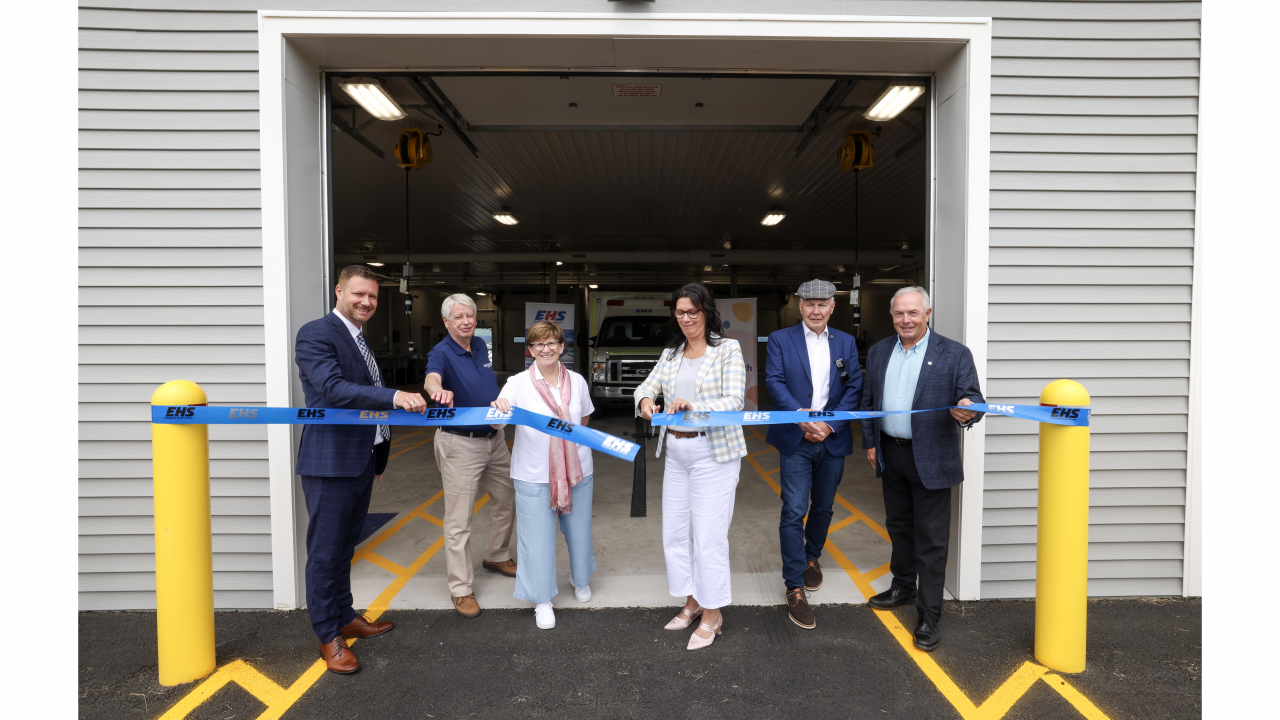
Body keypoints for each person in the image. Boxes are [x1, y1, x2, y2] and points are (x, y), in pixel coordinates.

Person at [294, 264, 428, 674]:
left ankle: (345, 616)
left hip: (360, 461)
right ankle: (328, 635)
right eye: (359, 294)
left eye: (372, 296)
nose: (367, 302)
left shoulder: (359, 340)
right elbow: (332, 390)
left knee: (346, 546)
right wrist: (394, 395)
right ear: (339, 291)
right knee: (325, 552)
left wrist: (379, 454)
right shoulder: (316, 333)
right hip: (331, 461)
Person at [860, 286, 984, 651]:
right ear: (892, 316)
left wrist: (968, 408)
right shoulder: (880, 351)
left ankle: (930, 613)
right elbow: (868, 402)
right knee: (898, 526)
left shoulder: (955, 353)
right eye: (899, 314)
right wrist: (870, 442)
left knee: (931, 538)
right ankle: (902, 587)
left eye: (913, 313)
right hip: (890, 452)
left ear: (928, 314)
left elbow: (973, 398)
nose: (905, 320)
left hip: (931, 456)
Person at [634, 284, 747, 651]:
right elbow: (645, 388)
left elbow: (734, 400)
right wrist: (648, 400)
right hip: (677, 453)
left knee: (709, 537)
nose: (686, 319)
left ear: (707, 313)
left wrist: (693, 405)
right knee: (676, 533)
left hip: (713, 452)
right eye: (680, 312)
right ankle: (692, 601)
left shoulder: (727, 349)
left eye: (693, 312)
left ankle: (713, 613)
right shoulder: (671, 353)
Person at [764, 279, 864, 629]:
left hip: (831, 438)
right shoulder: (780, 340)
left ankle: (811, 559)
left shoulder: (846, 342)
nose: (816, 310)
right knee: (793, 510)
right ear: (799, 305)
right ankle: (794, 586)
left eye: (822, 304)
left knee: (822, 506)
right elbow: (774, 382)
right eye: (809, 304)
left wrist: (830, 426)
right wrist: (805, 420)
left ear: (833, 306)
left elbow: (854, 387)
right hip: (796, 437)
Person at [488, 321, 597, 630]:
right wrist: (499, 409)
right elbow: (498, 424)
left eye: (552, 343)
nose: (546, 349)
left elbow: (584, 415)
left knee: (579, 529)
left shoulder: (577, 381)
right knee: (535, 539)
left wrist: (568, 448)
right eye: (539, 345)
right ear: (531, 350)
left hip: (577, 471)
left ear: (562, 347)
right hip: (533, 473)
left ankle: (580, 579)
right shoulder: (517, 383)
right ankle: (542, 600)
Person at [423, 294, 517, 618]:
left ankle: (496, 554)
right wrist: (436, 390)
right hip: (460, 445)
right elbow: (431, 377)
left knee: (506, 496)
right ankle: (461, 589)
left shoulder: (478, 345)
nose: (466, 321)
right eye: (458, 317)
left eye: (470, 316)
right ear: (446, 322)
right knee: (459, 520)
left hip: (495, 438)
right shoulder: (441, 352)